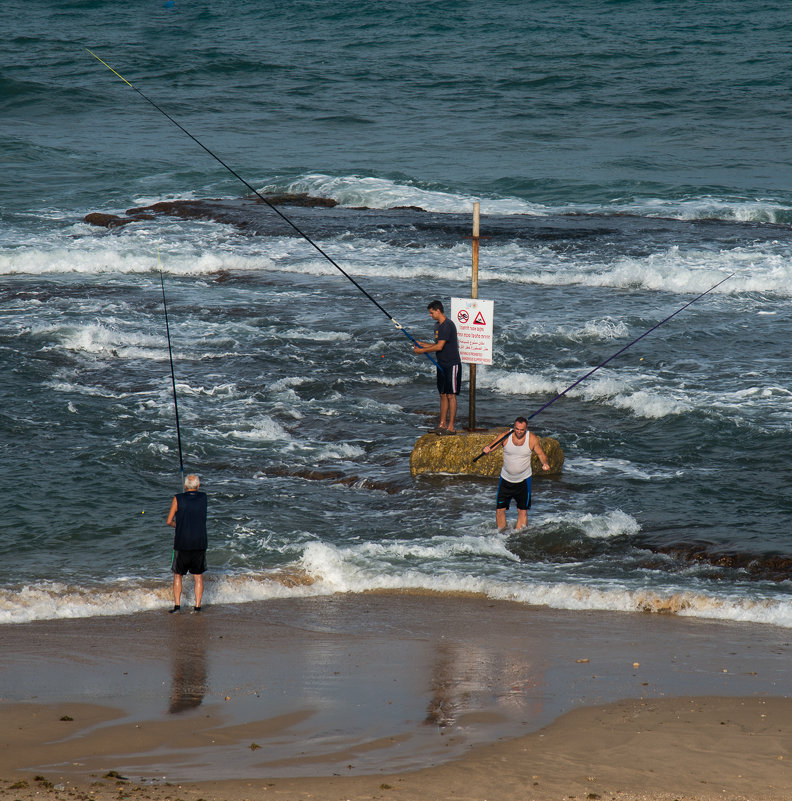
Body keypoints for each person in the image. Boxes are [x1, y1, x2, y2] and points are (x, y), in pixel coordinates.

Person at [483, 417, 550, 531]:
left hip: (524, 480)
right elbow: (492, 446)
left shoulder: (532, 439)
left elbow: (541, 454)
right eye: (517, 429)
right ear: (514, 427)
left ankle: (519, 536)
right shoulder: (506, 436)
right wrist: (487, 449)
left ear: (526, 429)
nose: (519, 432)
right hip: (506, 479)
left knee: (522, 511)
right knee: (500, 510)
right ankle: (501, 535)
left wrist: (545, 463)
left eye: (522, 430)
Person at [413, 299, 462, 434]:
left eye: (431, 313)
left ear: (438, 311)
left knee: (451, 395)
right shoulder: (437, 326)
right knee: (442, 394)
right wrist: (421, 344)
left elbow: (439, 346)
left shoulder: (447, 325)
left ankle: (451, 427)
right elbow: (437, 345)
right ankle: (442, 424)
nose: (430, 315)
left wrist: (421, 351)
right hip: (441, 364)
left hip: (452, 364)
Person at [165, 473, 208, 613]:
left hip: (182, 542)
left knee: (178, 575)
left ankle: (177, 606)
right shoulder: (203, 498)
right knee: (198, 577)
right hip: (199, 542)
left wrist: (180, 525)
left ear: (184, 486)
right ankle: (197, 607)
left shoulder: (178, 498)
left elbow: (169, 521)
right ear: (198, 486)